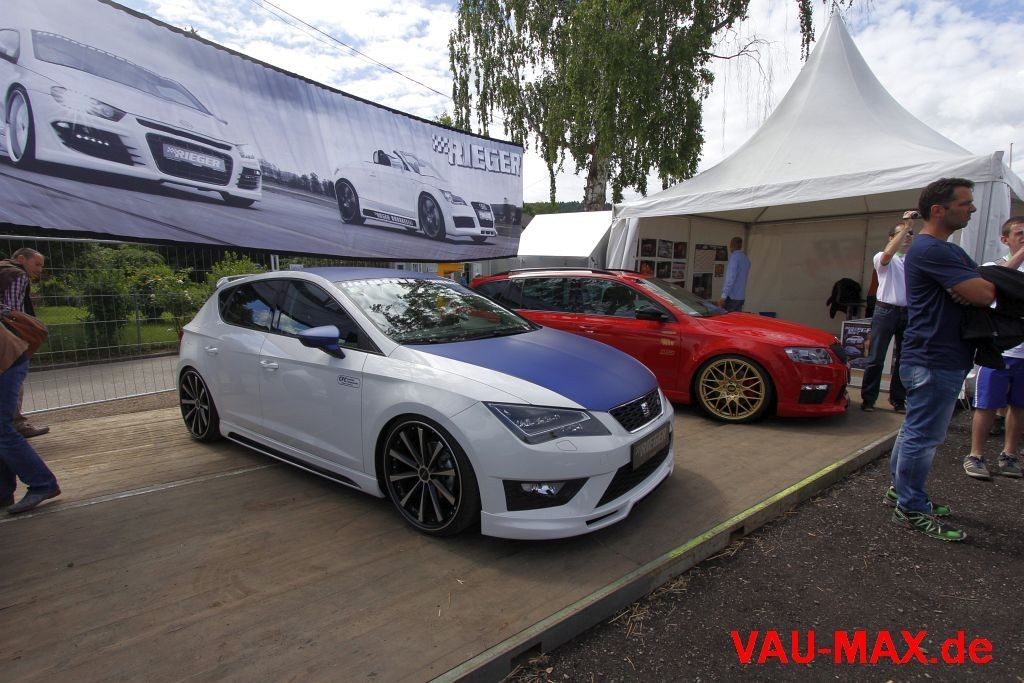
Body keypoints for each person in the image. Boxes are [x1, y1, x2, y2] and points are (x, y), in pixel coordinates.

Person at [887, 177, 995, 542]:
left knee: (913, 431)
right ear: (938, 209)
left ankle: (901, 493)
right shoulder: (933, 250)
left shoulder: (937, 249)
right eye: (964, 203)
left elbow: (980, 283)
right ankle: (911, 508)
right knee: (922, 437)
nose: (972, 208)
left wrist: (970, 284)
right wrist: (970, 286)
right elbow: (985, 292)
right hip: (935, 357)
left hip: (931, 354)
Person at [962, 216, 1024, 480]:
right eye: (1020, 234)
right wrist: (1021, 254)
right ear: (1005, 239)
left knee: (1019, 406)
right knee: (986, 405)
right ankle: (976, 454)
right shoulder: (993, 266)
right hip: (999, 350)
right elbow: (995, 288)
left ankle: (1009, 454)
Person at [0, 316, 60, 514]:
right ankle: (3, 492)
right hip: (9, 359)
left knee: (2, 429)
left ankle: (43, 484)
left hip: (8, 362)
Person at [860, 211, 917, 413]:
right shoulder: (882, 257)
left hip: (908, 312)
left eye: (910, 234)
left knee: (904, 358)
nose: (907, 237)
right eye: (902, 234)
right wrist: (906, 226)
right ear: (891, 238)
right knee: (876, 357)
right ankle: (869, 399)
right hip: (885, 311)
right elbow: (886, 256)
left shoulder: (914, 260)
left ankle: (898, 399)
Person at [0, 248, 49, 438]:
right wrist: (22, 337)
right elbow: (14, 312)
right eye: (37, 264)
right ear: (21, 259)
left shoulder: (2, 269)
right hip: (7, 337)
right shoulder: (17, 274)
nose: (39, 269)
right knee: (14, 377)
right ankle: (17, 425)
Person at [717, 236, 750, 311]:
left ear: (731, 245)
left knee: (728, 317)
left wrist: (723, 296)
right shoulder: (745, 258)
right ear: (740, 246)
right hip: (740, 296)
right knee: (737, 317)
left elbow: (730, 278)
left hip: (732, 296)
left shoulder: (734, 257)